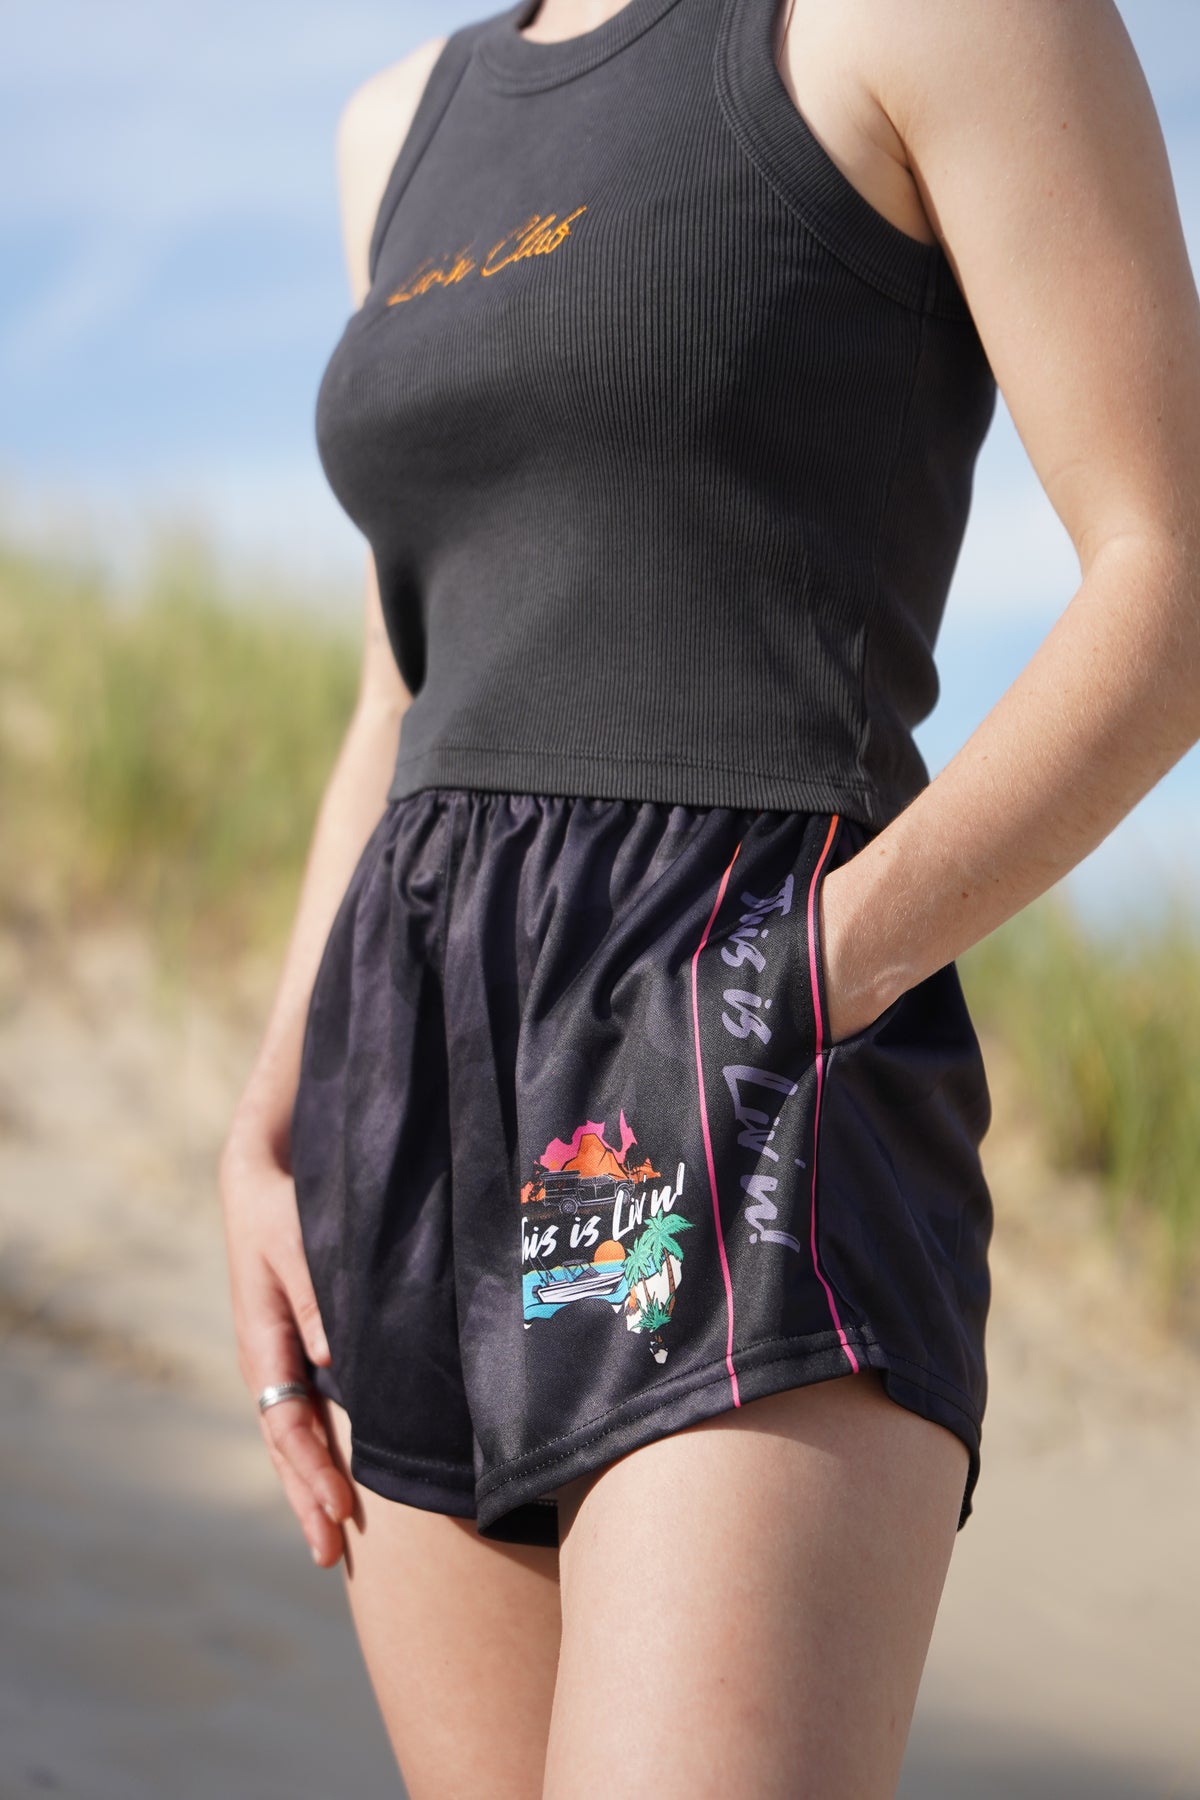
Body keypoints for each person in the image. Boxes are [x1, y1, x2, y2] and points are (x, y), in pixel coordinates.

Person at [218, 0, 1200, 1791]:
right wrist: (276, 1112)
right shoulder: (397, 126)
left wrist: (802, 977)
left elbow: (1172, 573)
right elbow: (403, 681)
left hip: (737, 1054)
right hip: (418, 1080)